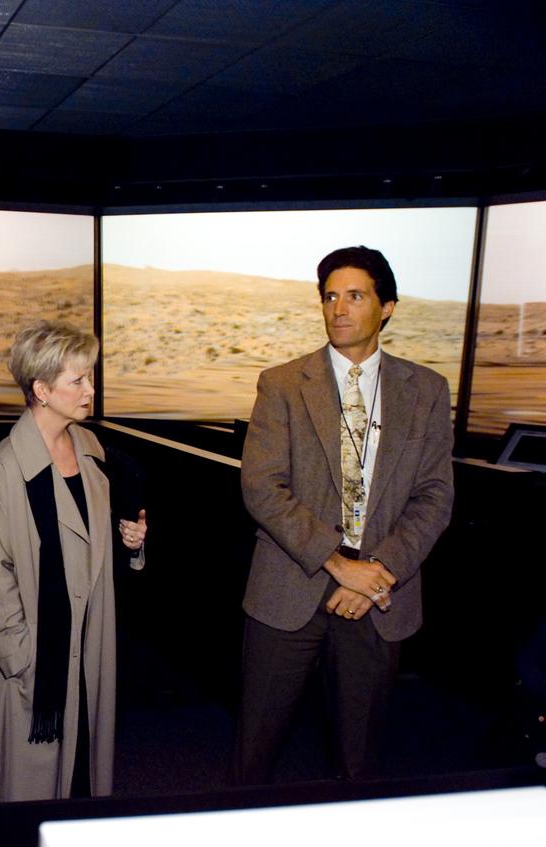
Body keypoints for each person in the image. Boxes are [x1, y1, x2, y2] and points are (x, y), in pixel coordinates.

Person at [234, 245, 455, 783]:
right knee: (254, 754)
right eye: (330, 296)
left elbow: (434, 497)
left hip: (379, 597)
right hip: (289, 590)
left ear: (388, 307)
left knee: (359, 759)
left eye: (355, 296)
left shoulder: (426, 390)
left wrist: (373, 573)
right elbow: (262, 487)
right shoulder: (283, 383)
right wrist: (339, 564)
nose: (339, 309)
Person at [0, 321, 147, 803]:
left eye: (90, 377)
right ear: (42, 390)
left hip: (89, 647)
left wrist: (133, 541)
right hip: (35, 663)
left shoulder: (91, 450)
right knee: (28, 791)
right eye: (78, 380)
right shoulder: (5, 467)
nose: (91, 390)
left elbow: (92, 547)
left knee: (82, 775)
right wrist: (22, 660)